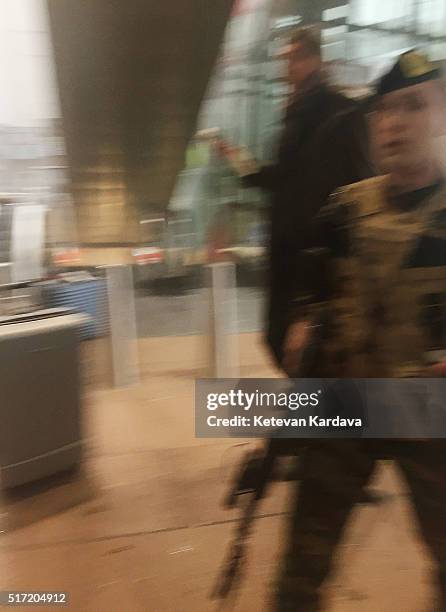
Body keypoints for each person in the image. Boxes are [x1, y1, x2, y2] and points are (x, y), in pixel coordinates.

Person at [274, 50, 446, 611]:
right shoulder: (346, 209)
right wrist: (303, 326)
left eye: (414, 106)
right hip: (347, 404)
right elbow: (311, 285)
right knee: (300, 569)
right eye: (384, 111)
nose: (394, 122)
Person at [221, 25, 372, 371]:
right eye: (285, 59)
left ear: (318, 60)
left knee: (310, 340)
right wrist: (240, 163)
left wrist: (343, 246)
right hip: (286, 247)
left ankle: (319, 415)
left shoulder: (341, 112)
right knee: (278, 338)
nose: (288, 67)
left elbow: (361, 178)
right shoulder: (294, 115)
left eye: (297, 57)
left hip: (318, 249)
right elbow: (282, 177)